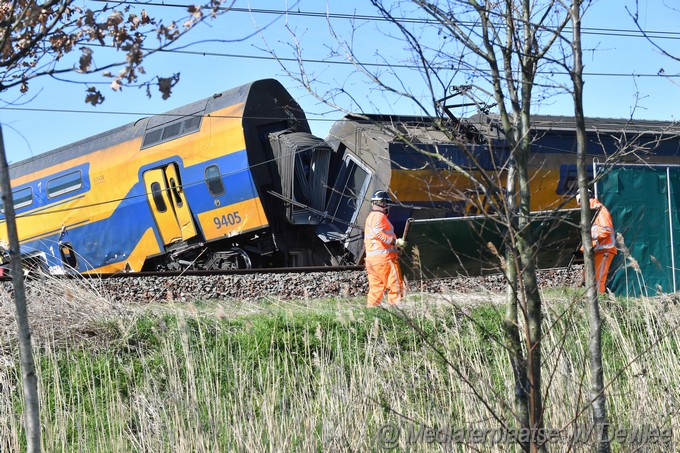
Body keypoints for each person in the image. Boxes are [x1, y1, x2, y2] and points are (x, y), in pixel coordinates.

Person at [363, 190, 406, 307]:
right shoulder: (379, 216)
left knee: (376, 288)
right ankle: (397, 310)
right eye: (387, 204)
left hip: (372, 261)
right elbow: (378, 232)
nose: (388, 207)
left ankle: (371, 311)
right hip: (384, 259)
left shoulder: (370, 217)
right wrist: (395, 242)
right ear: (382, 204)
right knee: (395, 285)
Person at [576, 189, 617, 294]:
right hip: (596, 251)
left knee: (598, 280)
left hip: (604, 250)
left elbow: (606, 229)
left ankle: (600, 304)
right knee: (589, 278)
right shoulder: (591, 211)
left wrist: (587, 235)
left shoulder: (599, 210)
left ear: (581, 200)